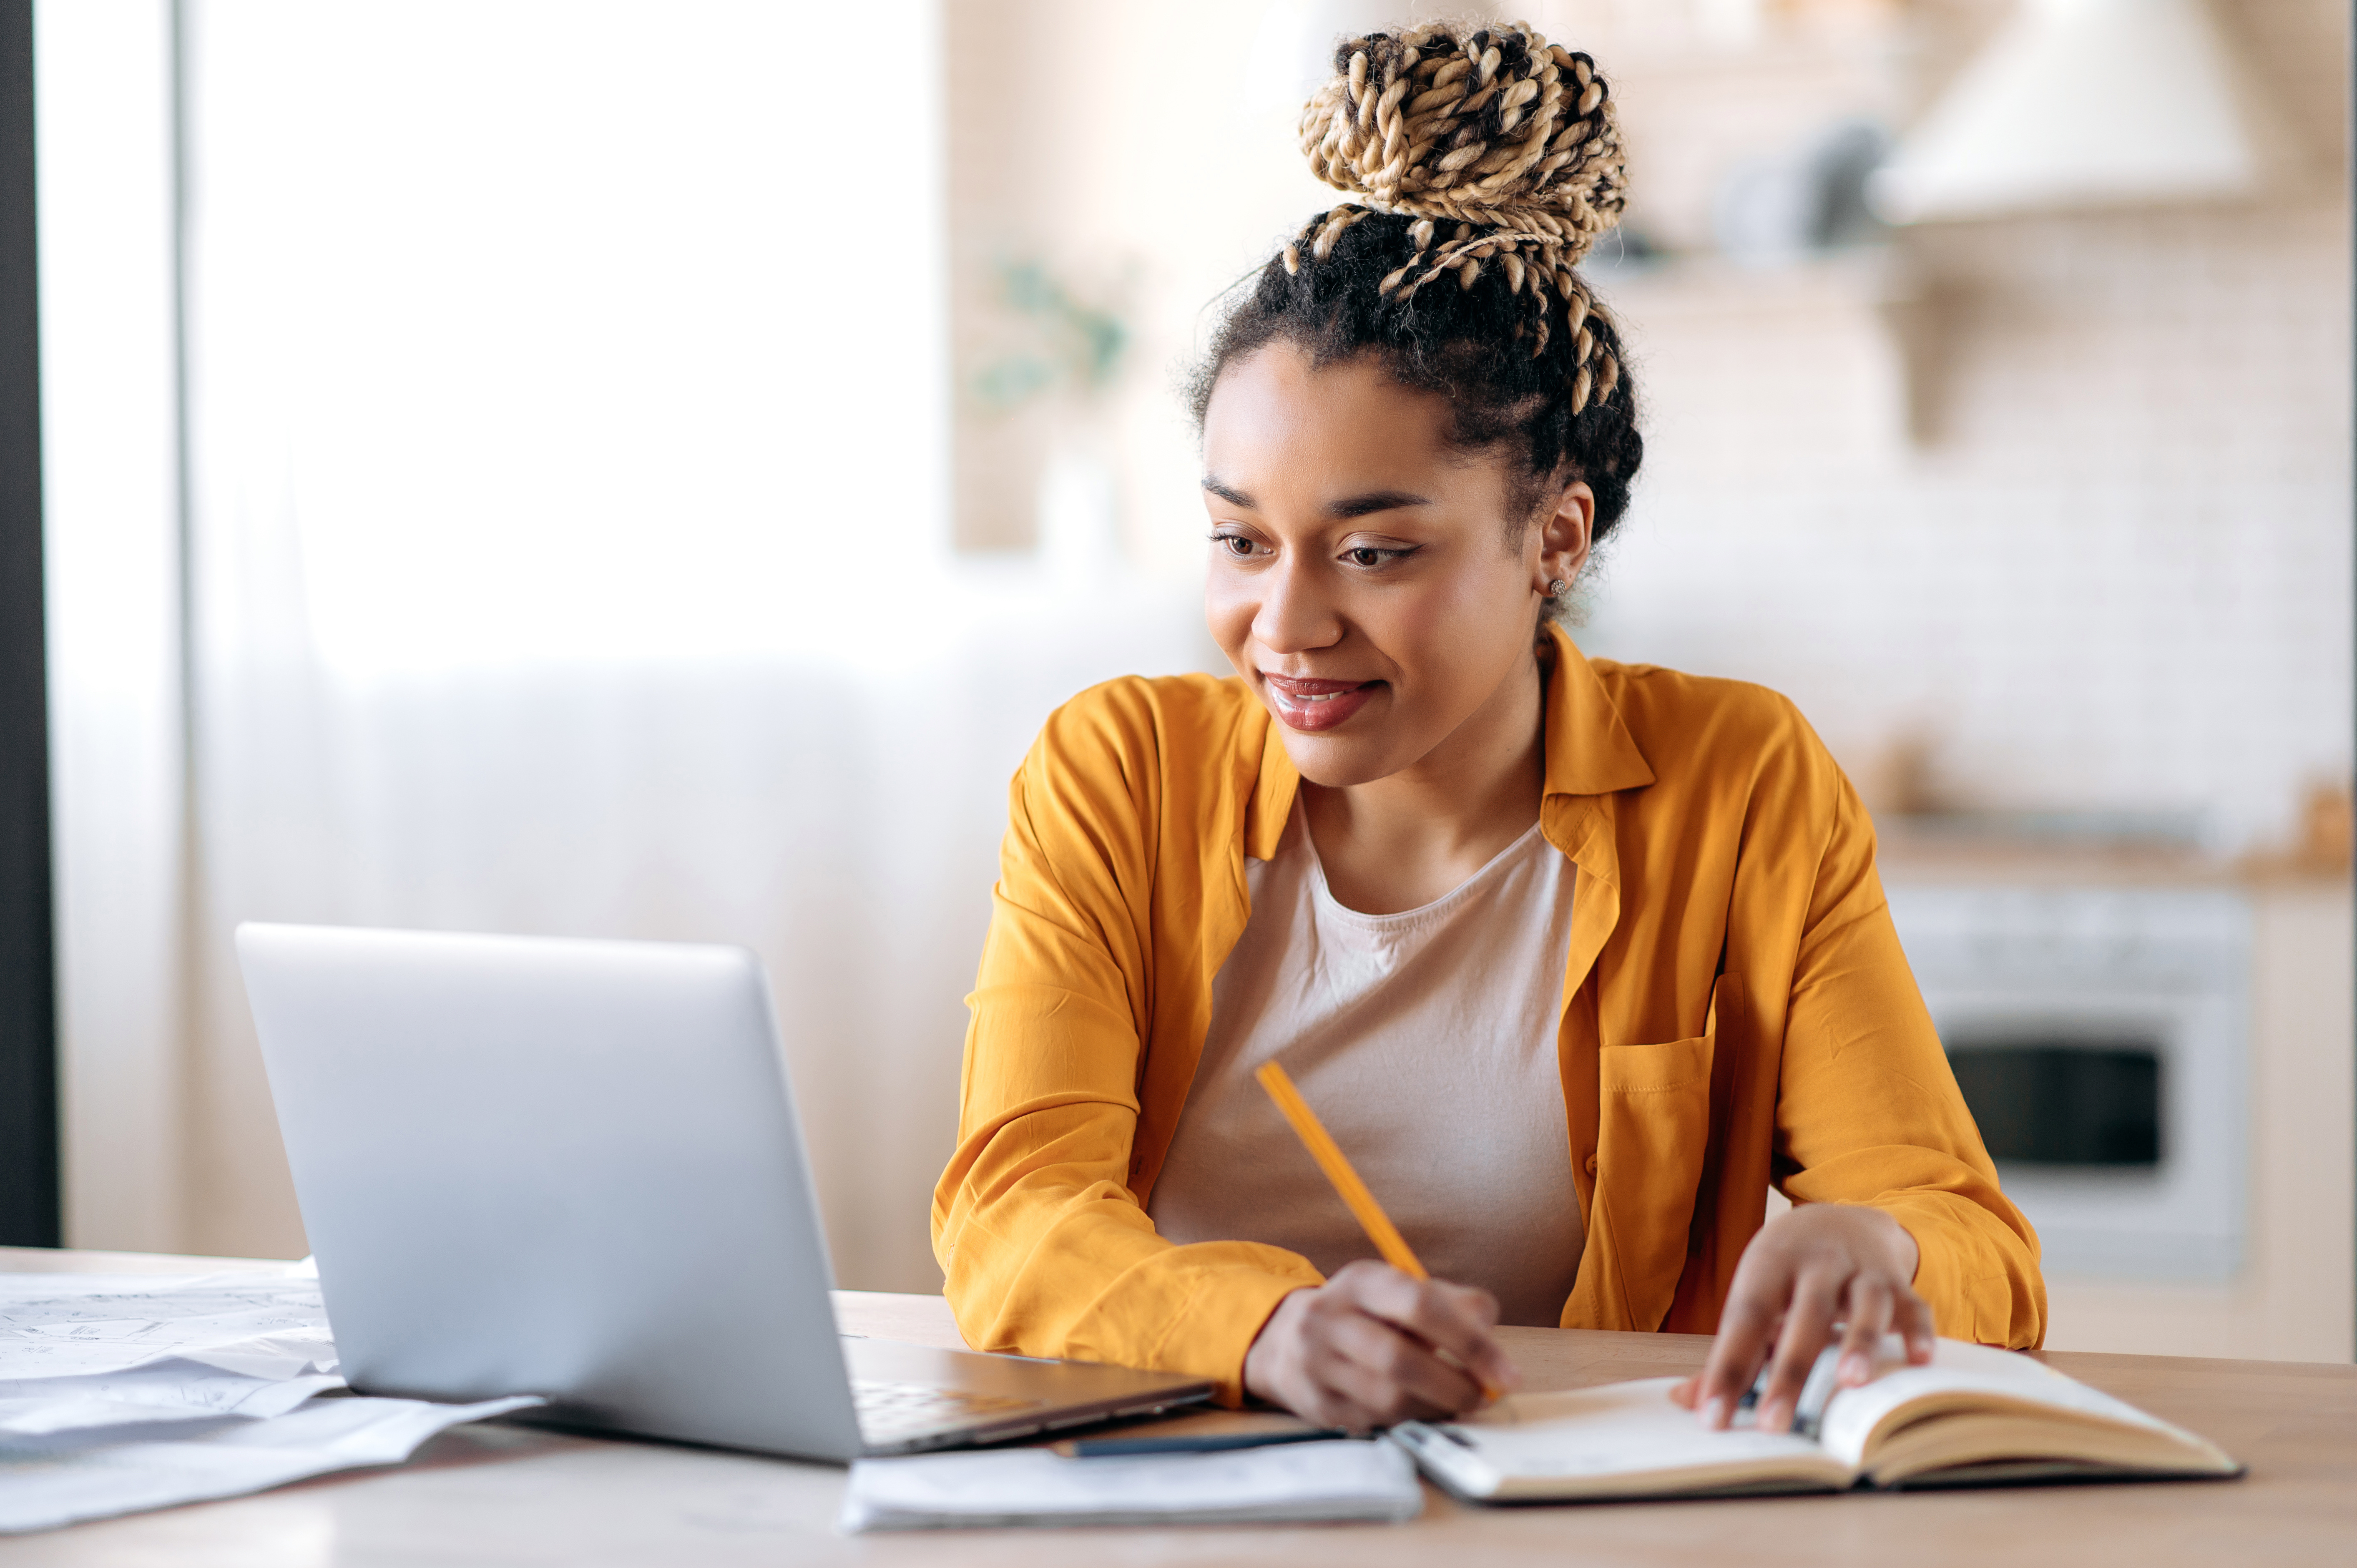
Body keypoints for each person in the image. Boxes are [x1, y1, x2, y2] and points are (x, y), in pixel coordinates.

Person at [932, 20, 2043, 1437]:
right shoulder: (1117, 773)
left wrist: (1879, 1247)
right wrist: (1263, 1331)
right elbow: (1008, 1212)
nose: (1285, 623)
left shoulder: (1737, 782)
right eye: (1238, 540)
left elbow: (1975, 1246)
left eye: (1374, 553)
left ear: (1553, 537)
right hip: (1186, 1489)